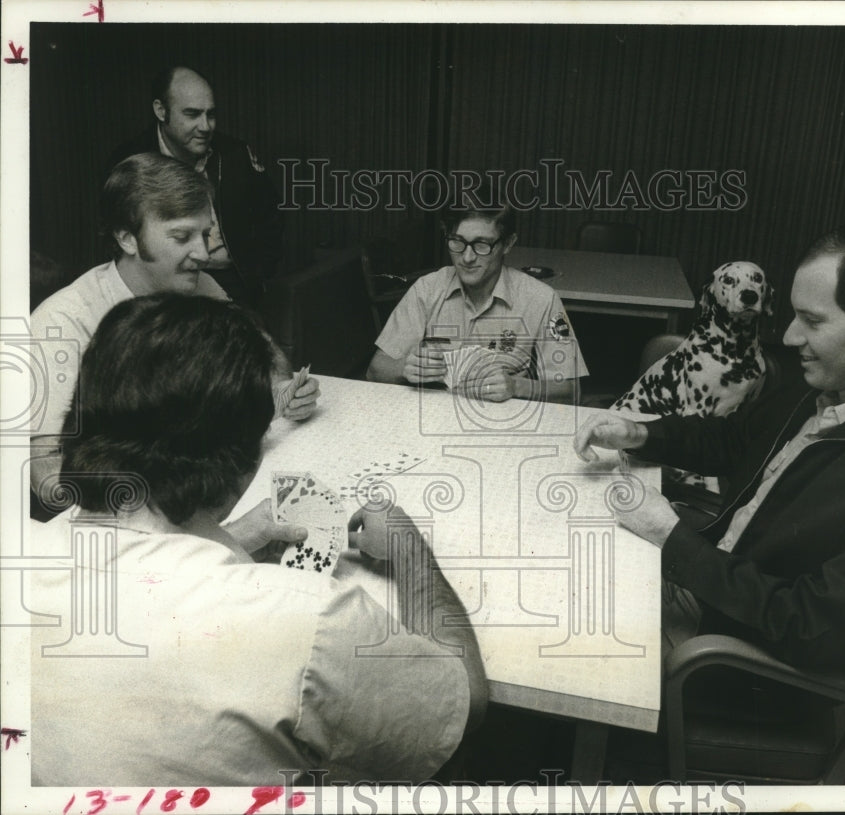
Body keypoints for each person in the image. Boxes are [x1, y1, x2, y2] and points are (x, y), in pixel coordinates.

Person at [30, 293, 487, 785]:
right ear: (243, 463)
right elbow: (462, 706)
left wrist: (226, 538)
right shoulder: (308, 616)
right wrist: (410, 553)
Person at [574, 218, 845, 678]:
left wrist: (674, 542)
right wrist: (642, 432)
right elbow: (734, 438)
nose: (788, 337)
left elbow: (818, 633)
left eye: (812, 320)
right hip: (712, 589)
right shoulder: (832, 385)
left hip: (735, 659)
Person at [30, 153, 318, 503]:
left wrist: (281, 389)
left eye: (206, 234)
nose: (205, 253)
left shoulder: (200, 285)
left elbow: (268, 358)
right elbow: (42, 471)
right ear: (127, 239)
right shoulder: (63, 321)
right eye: (182, 237)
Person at [366, 204, 588, 403]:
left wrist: (516, 386)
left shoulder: (541, 298)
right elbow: (375, 370)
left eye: (482, 244)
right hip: (432, 416)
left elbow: (571, 391)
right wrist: (405, 368)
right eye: (457, 242)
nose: (467, 257)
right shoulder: (427, 289)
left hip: (501, 424)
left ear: (508, 244)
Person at [108, 65, 283, 307]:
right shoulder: (130, 161)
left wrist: (258, 275)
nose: (205, 127)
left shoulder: (235, 154)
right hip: (161, 285)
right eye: (192, 114)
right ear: (161, 111)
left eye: (210, 114)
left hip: (234, 281)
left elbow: (271, 218)